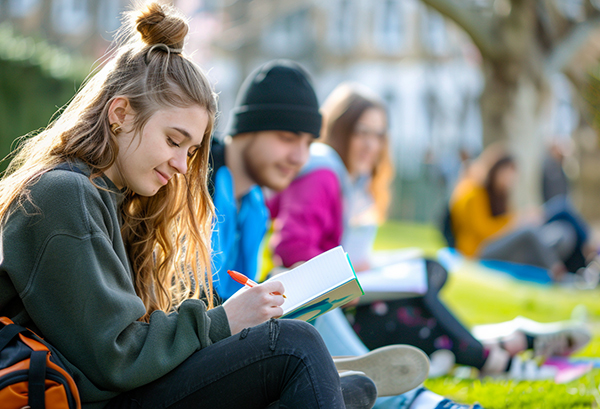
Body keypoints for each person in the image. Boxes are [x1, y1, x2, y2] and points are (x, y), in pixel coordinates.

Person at [0, 4, 362, 409]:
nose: (181, 164)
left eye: (191, 151)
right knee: (295, 347)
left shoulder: (117, 202)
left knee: (344, 388)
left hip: (119, 392)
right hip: (78, 398)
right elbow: (116, 357)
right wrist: (226, 321)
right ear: (120, 113)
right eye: (174, 140)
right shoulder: (61, 195)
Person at [267, 83, 590, 406]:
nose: (371, 144)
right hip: (326, 311)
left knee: (427, 277)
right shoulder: (324, 172)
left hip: (344, 307)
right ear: (340, 130)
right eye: (361, 132)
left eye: (379, 135)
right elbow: (292, 252)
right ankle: (504, 349)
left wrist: (366, 268)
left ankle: (503, 346)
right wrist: (347, 279)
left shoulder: (350, 183)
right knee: (418, 299)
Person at [208, 59, 429, 406]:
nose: (299, 156)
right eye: (286, 138)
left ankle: (348, 385)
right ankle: (399, 398)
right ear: (248, 128)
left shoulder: (253, 205)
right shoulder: (200, 189)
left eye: (309, 142)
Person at [450, 144, 592, 279]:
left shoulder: (498, 196)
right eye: (507, 173)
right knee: (534, 227)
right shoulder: (472, 192)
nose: (510, 180)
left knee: (562, 233)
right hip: (477, 252)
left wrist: (517, 221)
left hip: (496, 247)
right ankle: (560, 276)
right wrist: (516, 222)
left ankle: (582, 269)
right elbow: (483, 230)